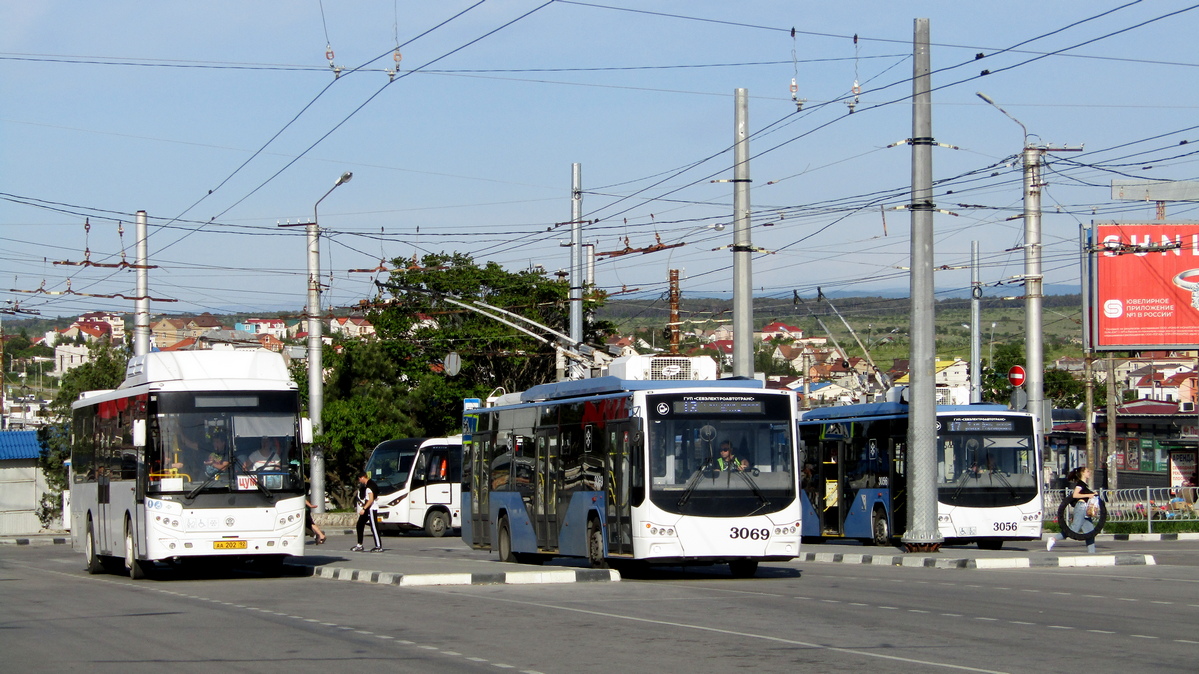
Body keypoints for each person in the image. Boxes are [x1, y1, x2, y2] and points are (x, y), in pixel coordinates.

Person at [1046, 466, 1100, 554]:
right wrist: (1088, 495)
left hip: (1085, 508)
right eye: (1087, 471)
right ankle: (1053, 538)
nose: (1089, 473)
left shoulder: (1084, 485)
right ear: (1082, 473)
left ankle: (1092, 553)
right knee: (1074, 530)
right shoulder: (1080, 484)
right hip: (1081, 508)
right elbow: (1075, 495)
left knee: (1090, 533)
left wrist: (1093, 494)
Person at [352, 470, 383, 552]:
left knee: (374, 527)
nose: (359, 481)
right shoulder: (371, 484)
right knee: (360, 524)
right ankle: (359, 545)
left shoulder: (369, 486)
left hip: (371, 509)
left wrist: (364, 509)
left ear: (362, 478)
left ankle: (378, 546)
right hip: (368, 508)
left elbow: (371, 500)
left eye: (359, 479)